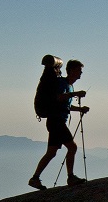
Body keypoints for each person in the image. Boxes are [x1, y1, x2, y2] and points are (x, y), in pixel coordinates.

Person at [29, 56, 89, 188]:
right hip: (56, 121)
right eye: (79, 71)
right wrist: (75, 94)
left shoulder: (69, 86)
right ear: (72, 70)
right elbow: (59, 97)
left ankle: (35, 178)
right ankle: (70, 177)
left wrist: (80, 109)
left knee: (51, 152)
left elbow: (64, 104)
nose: (80, 74)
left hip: (55, 121)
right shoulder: (62, 83)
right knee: (72, 147)